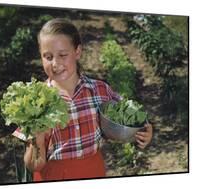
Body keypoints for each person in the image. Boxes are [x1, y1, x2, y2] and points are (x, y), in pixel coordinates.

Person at [15, 18, 153, 181]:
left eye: (63, 55)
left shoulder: (99, 90)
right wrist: (38, 135)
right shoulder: (35, 101)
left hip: (93, 170)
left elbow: (130, 115)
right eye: (48, 56)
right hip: (54, 175)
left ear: (78, 52)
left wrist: (146, 129)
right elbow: (34, 165)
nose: (55, 63)